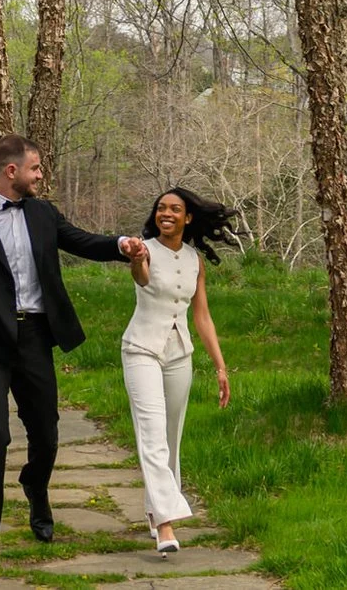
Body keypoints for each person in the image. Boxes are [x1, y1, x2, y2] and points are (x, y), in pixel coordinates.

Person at [0, 135, 148, 576]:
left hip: (36, 337)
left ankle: (34, 486)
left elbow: (81, 241)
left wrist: (120, 244)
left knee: (45, 433)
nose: (41, 175)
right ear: (12, 171)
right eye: (36, 168)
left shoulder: (42, 213)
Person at [122, 186, 236, 556]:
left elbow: (201, 315)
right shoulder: (145, 250)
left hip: (179, 355)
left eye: (174, 209)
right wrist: (137, 257)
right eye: (160, 208)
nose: (165, 213)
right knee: (151, 434)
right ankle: (166, 525)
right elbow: (140, 277)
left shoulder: (194, 260)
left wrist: (220, 367)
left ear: (188, 218)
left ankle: (156, 512)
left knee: (170, 438)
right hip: (141, 349)